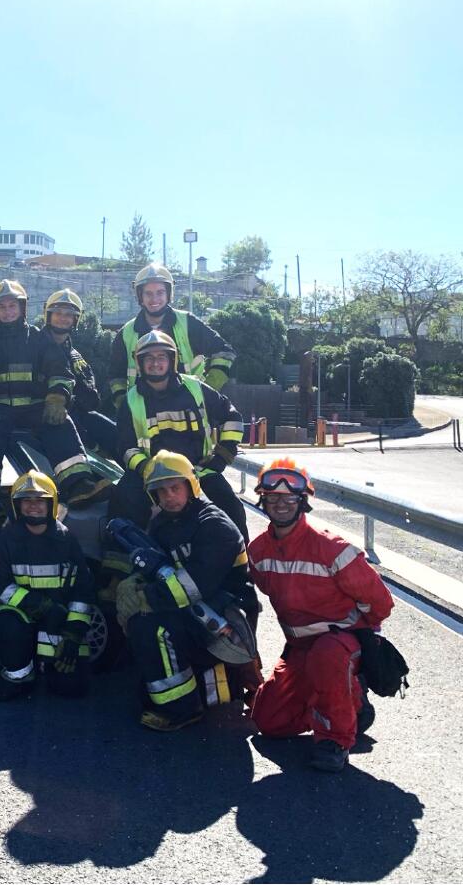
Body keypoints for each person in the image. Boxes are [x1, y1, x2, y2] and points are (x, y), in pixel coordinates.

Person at [247, 458, 394, 772]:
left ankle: (335, 738)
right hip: (300, 648)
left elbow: (380, 602)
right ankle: (347, 705)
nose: (281, 503)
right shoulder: (258, 551)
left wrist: (360, 637)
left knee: (327, 658)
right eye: (273, 497)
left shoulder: (332, 548)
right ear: (263, 499)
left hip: (338, 645)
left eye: (290, 498)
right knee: (268, 722)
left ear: (303, 502)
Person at [116, 451, 257, 731]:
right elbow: (157, 567)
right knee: (141, 681)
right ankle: (182, 692)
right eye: (161, 491)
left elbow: (193, 585)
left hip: (224, 618)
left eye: (175, 487)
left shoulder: (215, 525)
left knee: (152, 628)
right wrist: (133, 583)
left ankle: (182, 709)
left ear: (191, 486)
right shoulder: (164, 523)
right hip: (193, 608)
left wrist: (147, 598)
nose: (169, 496)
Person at [0, 279, 109, 520]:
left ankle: (79, 485)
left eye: (13, 306)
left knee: (61, 424)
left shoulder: (39, 338)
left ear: (22, 309)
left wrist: (56, 400)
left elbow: (60, 371)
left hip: (34, 408)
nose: (8, 312)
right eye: (3, 307)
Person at [110, 330, 248, 542]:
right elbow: (127, 448)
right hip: (152, 476)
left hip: (198, 471)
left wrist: (222, 457)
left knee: (231, 507)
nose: (155, 363)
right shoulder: (130, 400)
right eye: (149, 358)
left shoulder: (195, 388)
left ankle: (243, 567)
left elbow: (232, 417)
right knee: (122, 500)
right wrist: (146, 469)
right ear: (139, 363)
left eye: (161, 357)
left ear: (172, 360)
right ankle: (120, 569)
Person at [0, 471, 95, 700]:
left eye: (39, 501)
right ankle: (19, 678)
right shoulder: (6, 540)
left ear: (51, 504)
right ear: (17, 506)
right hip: (20, 612)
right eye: (26, 500)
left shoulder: (66, 540)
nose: (33, 507)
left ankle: (46, 664)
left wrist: (74, 632)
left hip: (59, 618)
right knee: (7, 624)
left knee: (71, 689)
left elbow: (82, 589)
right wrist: (40, 605)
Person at [108, 262, 236, 411]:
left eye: (160, 292)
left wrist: (207, 392)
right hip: (144, 412)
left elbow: (225, 353)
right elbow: (116, 377)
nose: (154, 298)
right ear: (140, 296)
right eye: (148, 293)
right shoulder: (126, 333)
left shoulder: (188, 323)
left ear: (169, 294)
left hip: (189, 408)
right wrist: (125, 406)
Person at [42, 288, 117, 457]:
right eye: (58, 313)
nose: (63, 318)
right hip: (51, 418)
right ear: (48, 315)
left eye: (69, 314)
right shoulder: (36, 347)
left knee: (117, 437)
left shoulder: (74, 353)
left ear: (75, 319)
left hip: (83, 415)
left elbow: (90, 393)